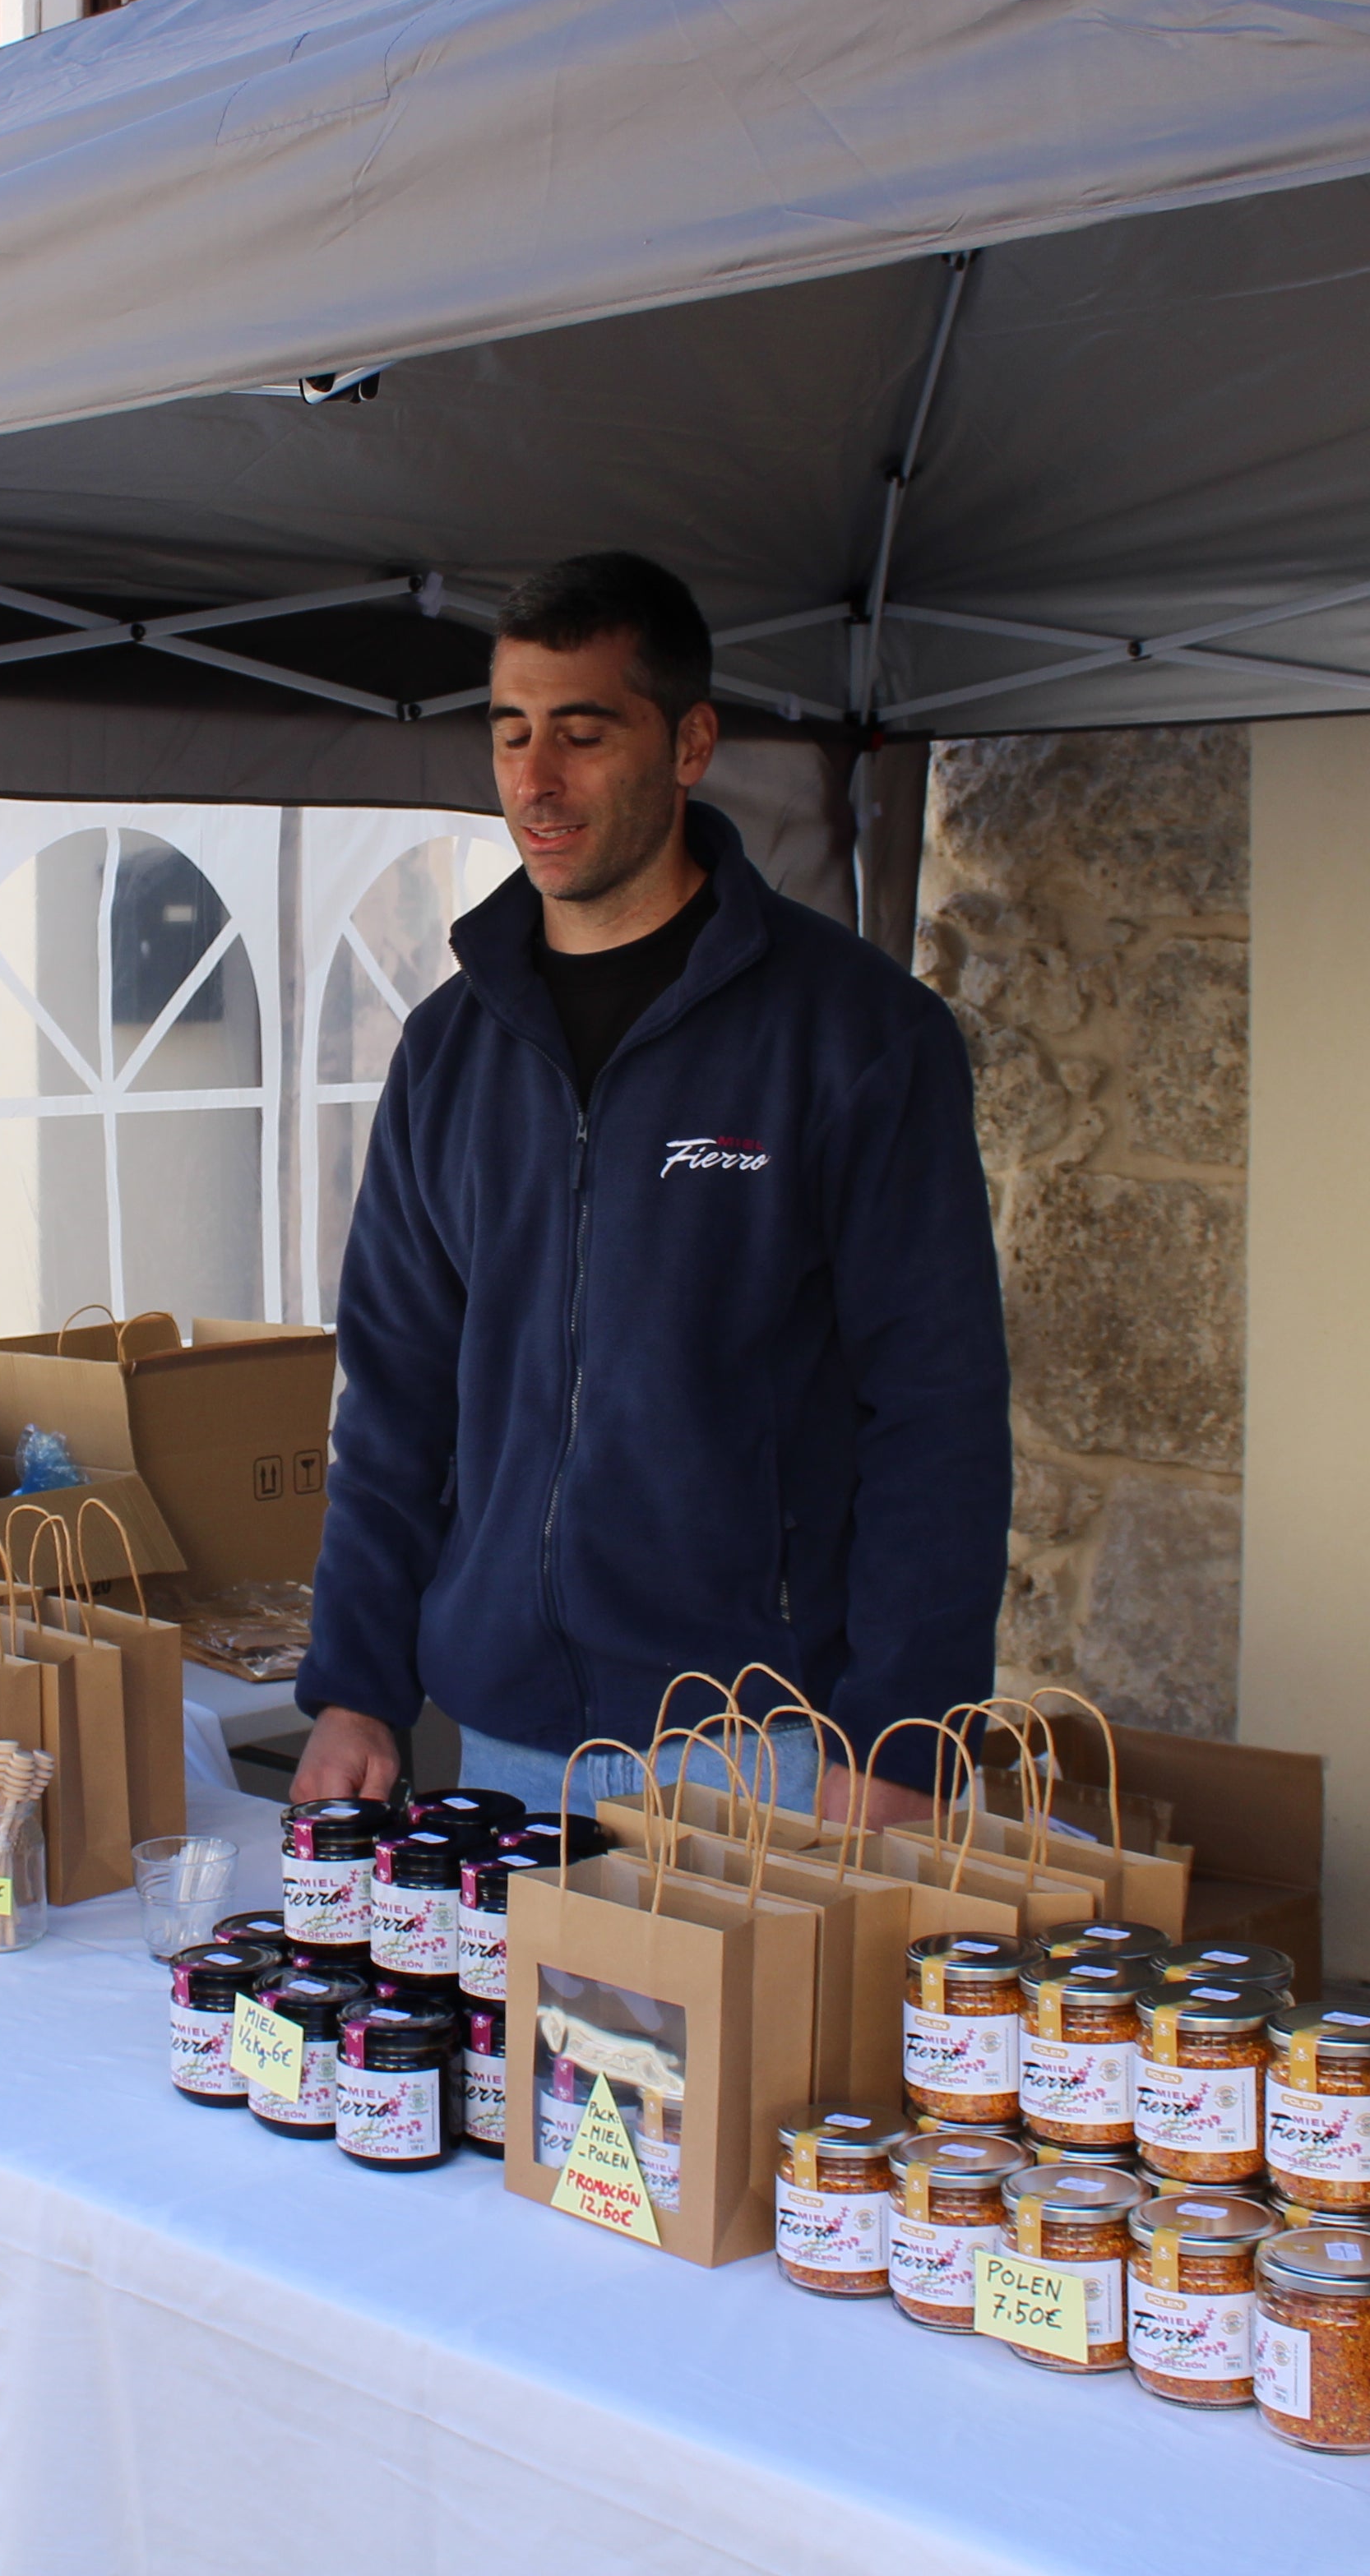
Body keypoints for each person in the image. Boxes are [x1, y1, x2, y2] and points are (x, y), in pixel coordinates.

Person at [290, 552, 1010, 1820]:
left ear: (689, 745)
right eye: (510, 733)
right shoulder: (449, 1050)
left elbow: (936, 1411)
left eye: (582, 732)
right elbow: (395, 1399)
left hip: (770, 1746)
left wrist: (900, 1734)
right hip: (505, 1741)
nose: (534, 778)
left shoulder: (857, 1037)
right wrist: (357, 1683)